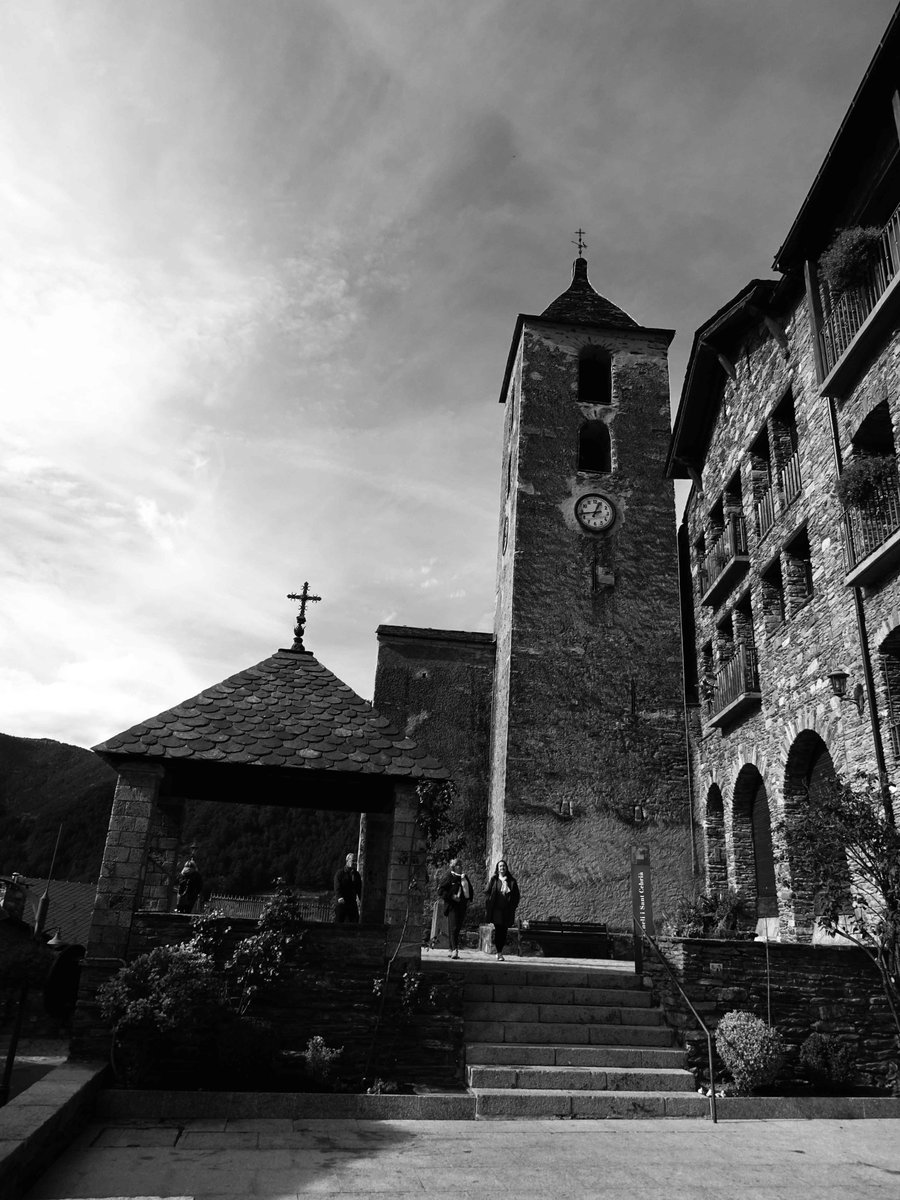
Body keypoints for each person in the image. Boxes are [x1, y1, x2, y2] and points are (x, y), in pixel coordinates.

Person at [484, 859, 520, 961]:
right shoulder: (494, 880)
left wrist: (513, 906)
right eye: (500, 866)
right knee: (498, 930)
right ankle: (499, 952)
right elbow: (487, 892)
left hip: (507, 911)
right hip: (496, 911)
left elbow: (516, 896)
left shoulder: (512, 881)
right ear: (498, 868)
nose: (502, 868)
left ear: (506, 868)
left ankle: (500, 950)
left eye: (503, 866)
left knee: (504, 932)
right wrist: (489, 902)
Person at [438, 857, 472, 959]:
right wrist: (452, 896)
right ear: (453, 867)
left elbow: (469, 889)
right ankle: (454, 950)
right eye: (458, 865)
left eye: (461, 865)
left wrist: (469, 899)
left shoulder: (464, 877)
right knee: (454, 928)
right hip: (452, 906)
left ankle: (450, 948)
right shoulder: (449, 877)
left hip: (462, 906)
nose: (461, 867)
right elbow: (441, 891)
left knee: (456, 929)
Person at [333, 852, 362, 923]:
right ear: (347, 860)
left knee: (355, 922)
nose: (355, 863)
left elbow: (359, 888)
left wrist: (361, 899)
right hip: (342, 902)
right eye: (353, 860)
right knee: (339, 922)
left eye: (355, 861)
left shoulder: (356, 874)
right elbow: (337, 887)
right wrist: (340, 897)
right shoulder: (340, 873)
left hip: (352, 902)